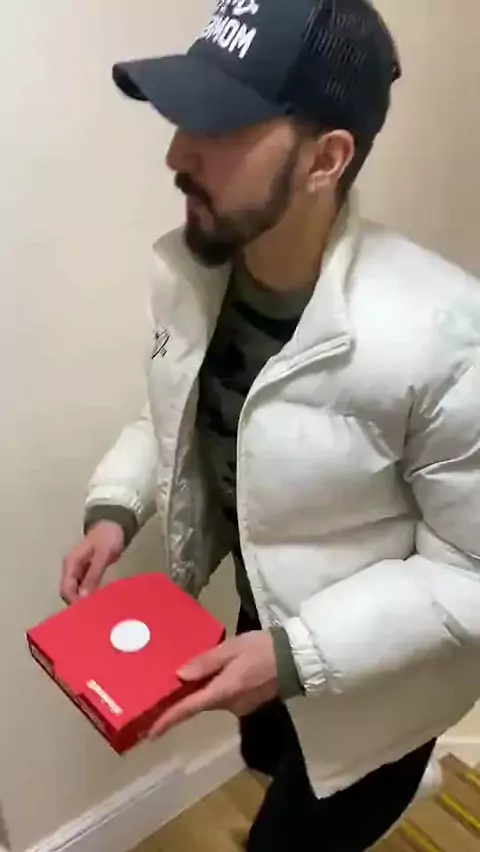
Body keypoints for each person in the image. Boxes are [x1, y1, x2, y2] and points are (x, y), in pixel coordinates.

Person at [61, 0, 480, 849]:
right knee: (265, 754)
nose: (175, 155)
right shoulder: (196, 272)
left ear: (326, 159)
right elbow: (174, 411)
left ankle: (407, 779)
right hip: (267, 617)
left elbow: (471, 570)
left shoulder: (448, 335)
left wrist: (296, 655)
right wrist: (116, 507)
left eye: (219, 126)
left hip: (379, 685)